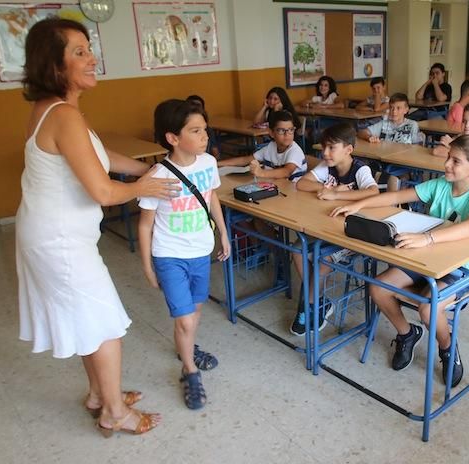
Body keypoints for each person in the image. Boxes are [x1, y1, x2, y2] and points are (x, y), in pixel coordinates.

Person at [17, 18, 179, 436]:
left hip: (51, 235)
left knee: (85, 319)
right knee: (105, 323)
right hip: (60, 242)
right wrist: (144, 185)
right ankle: (113, 412)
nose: (92, 60)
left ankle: (97, 395)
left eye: (89, 49)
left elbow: (100, 155)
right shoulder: (64, 116)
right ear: (53, 65)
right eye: (79, 52)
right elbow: (105, 192)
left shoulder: (59, 111)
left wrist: (148, 167)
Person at [330, 135, 469, 388]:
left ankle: (447, 347)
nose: (447, 163)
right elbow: (393, 197)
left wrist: (427, 238)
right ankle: (407, 334)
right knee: (378, 287)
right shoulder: (439, 184)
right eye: (448, 157)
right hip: (426, 260)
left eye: (455, 161)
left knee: (428, 308)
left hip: (463, 267)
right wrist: (358, 205)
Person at [138, 99, 230, 410]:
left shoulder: (207, 163)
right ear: (172, 138)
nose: (205, 136)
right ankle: (189, 370)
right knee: (186, 321)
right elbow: (145, 223)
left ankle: (186, 348)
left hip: (201, 252)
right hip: (169, 256)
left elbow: (212, 196)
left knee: (194, 313)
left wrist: (223, 233)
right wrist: (148, 266)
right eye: (195, 130)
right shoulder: (157, 176)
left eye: (205, 129)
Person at [291, 123, 380, 335]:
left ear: (348, 149)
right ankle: (319, 301)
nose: (325, 153)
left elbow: (374, 192)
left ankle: (309, 306)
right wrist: (325, 189)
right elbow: (302, 184)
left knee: (321, 264)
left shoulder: (360, 169)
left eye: (331, 148)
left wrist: (337, 195)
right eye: (324, 147)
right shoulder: (326, 166)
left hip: (352, 237)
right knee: (296, 250)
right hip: (326, 229)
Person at [218, 110, 307, 180]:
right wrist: (217, 163)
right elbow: (245, 159)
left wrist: (261, 173)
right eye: (281, 130)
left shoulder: (295, 150)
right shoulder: (270, 147)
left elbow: (286, 172)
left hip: (293, 192)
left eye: (291, 130)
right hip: (276, 187)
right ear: (271, 133)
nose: (287, 134)